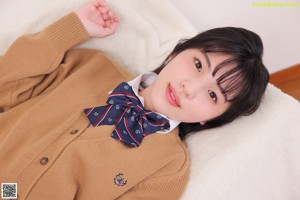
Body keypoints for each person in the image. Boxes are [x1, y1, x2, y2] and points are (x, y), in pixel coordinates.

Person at [0, 0, 269, 199]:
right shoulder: (91, 66)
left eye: (213, 95)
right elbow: (7, 84)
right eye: (198, 64)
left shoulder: (168, 169)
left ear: (211, 118)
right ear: (176, 53)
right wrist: (73, 28)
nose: (190, 88)